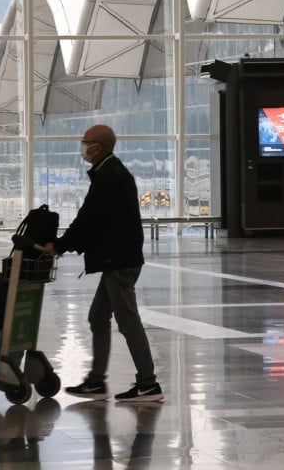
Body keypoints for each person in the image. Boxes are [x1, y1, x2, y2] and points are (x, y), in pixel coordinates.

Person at [44, 124, 163, 403]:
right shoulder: (109, 172)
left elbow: (89, 218)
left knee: (127, 320)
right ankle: (96, 381)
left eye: (86, 143)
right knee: (98, 318)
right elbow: (95, 220)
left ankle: (148, 384)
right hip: (118, 258)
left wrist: (60, 245)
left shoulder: (109, 175)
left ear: (99, 147)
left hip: (119, 261)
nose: (83, 148)